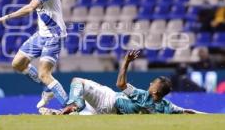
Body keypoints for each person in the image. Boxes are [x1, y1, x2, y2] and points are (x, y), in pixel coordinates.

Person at [0, 0, 68, 108]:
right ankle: (48, 88)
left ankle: (70, 106)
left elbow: (30, 8)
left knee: (44, 74)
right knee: (18, 63)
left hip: (54, 35)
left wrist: (5, 17)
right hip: (42, 34)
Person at [40, 50, 205, 115]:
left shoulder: (143, 96)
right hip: (109, 114)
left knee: (78, 81)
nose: (150, 83)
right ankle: (62, 112)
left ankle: (73, 104)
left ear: (155, 92)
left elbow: (120, 85)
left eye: (153, 83)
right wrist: (212, 117)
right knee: (77, 118)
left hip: (108, 100)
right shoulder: (165, 106)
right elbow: (187, 111)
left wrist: (126, 62)